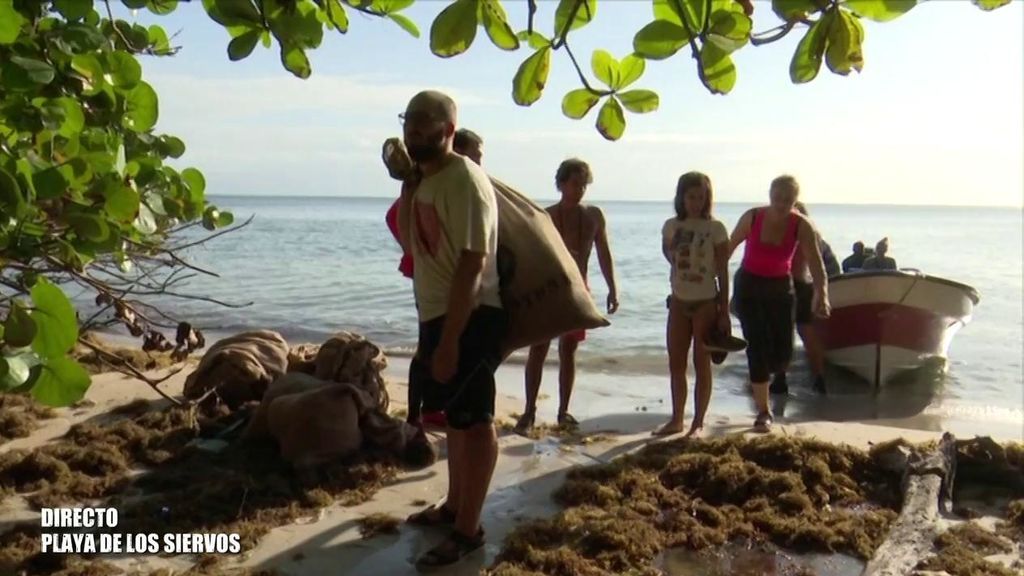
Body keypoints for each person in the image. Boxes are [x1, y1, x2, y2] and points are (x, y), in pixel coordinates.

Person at [395, 91, 507, 570]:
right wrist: (407, 180)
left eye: (424, 123)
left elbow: (471, 265)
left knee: (475, 422)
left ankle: (470, 531)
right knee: (455, 422)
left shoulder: (465, 180)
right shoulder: (425, 180)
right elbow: (409, 239)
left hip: (472, 315)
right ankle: (454, 506)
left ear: (448, 128)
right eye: (408, 121)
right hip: (438, 314)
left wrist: (451, 340)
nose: (414, 131)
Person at [385, 128, 485, 430]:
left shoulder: (455, 185)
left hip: (443, 277)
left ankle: (432, 406)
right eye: (476, 156)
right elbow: (396, 217)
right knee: (429, 343)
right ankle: (419, 412)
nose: (479, 163)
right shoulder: (429, 185)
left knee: (438, 341)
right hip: (431, 277)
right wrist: (418, 252)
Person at [514, 158, 619, 434]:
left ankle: (563, 411)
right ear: (561, 184)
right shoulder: (545, 215)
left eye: (584, 184)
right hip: (550, 286)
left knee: (569, 350)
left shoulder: (594, 215)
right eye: (575, 183)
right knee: (539, 348)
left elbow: (603, 253)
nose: (580, 189)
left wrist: (612, 288)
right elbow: (532, 254)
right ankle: (529, 411)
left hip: (578, 287)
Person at [728, 175, 831, 433]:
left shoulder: (801, 225)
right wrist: (719, 288)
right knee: (757, 346)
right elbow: (727, 249)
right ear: (770, 195)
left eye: (788, 200)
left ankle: (772, 375)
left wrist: (823, 294)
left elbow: (816, 263)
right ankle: (764, 411)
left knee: (783, 352)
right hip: (749, 285)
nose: (781, 204)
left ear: (795, 201)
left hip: (780, 288)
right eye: (777, 198)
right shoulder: (752, 217)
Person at [653, 172, 730, 438]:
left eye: (701, 197)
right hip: (678, 301)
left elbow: (723, 271)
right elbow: (670, 259)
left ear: (707, 199)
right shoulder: (671, 226)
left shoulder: (716, 229)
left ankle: (697, 422)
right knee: (676, 363)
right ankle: (677, 419)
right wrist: (674, 248)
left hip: (706, 302)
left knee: (702, 363)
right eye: (691, 197)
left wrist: (724, 311)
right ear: (681, 197)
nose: (696, 202)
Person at [778, 201, 829, 395]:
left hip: (789, 284)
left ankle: (781, 377)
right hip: (804, 284)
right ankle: (819, 377)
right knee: (806, 332)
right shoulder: (811, 231)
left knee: (785, 333)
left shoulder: (793, 228)